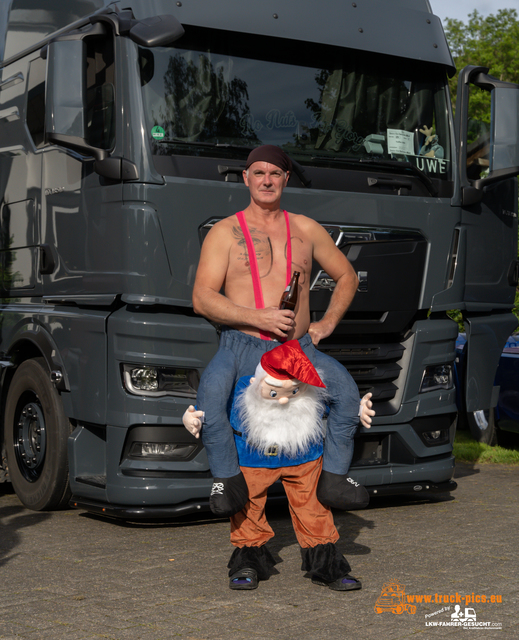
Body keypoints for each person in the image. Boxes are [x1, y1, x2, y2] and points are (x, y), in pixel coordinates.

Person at [190, 144, 373, 586]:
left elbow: (347, 276)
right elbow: (202, 299)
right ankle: (242, 539)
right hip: (242, 348)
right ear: (246, 178)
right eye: (258, 173)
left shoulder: (307, 229)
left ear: (286, 179)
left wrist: (327, 321)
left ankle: (333, 492)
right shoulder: (224, 233)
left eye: (275, 172)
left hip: (300, 350)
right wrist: (259, 318)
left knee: (343, 401)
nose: (267, 180)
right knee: (239, 445)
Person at [184, 341, 369, 591]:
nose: (283, 400)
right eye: (274, 393)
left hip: (303, 459)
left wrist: (360, 409)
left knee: (313, 508)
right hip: (253, 459)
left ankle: (326, 565)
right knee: (248, 506)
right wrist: (190, 418)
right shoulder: (241, 394)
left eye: (293, 392)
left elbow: (337, 407)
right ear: (255, 382)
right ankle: (247, 563)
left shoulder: (310, 395)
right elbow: (211, 411)